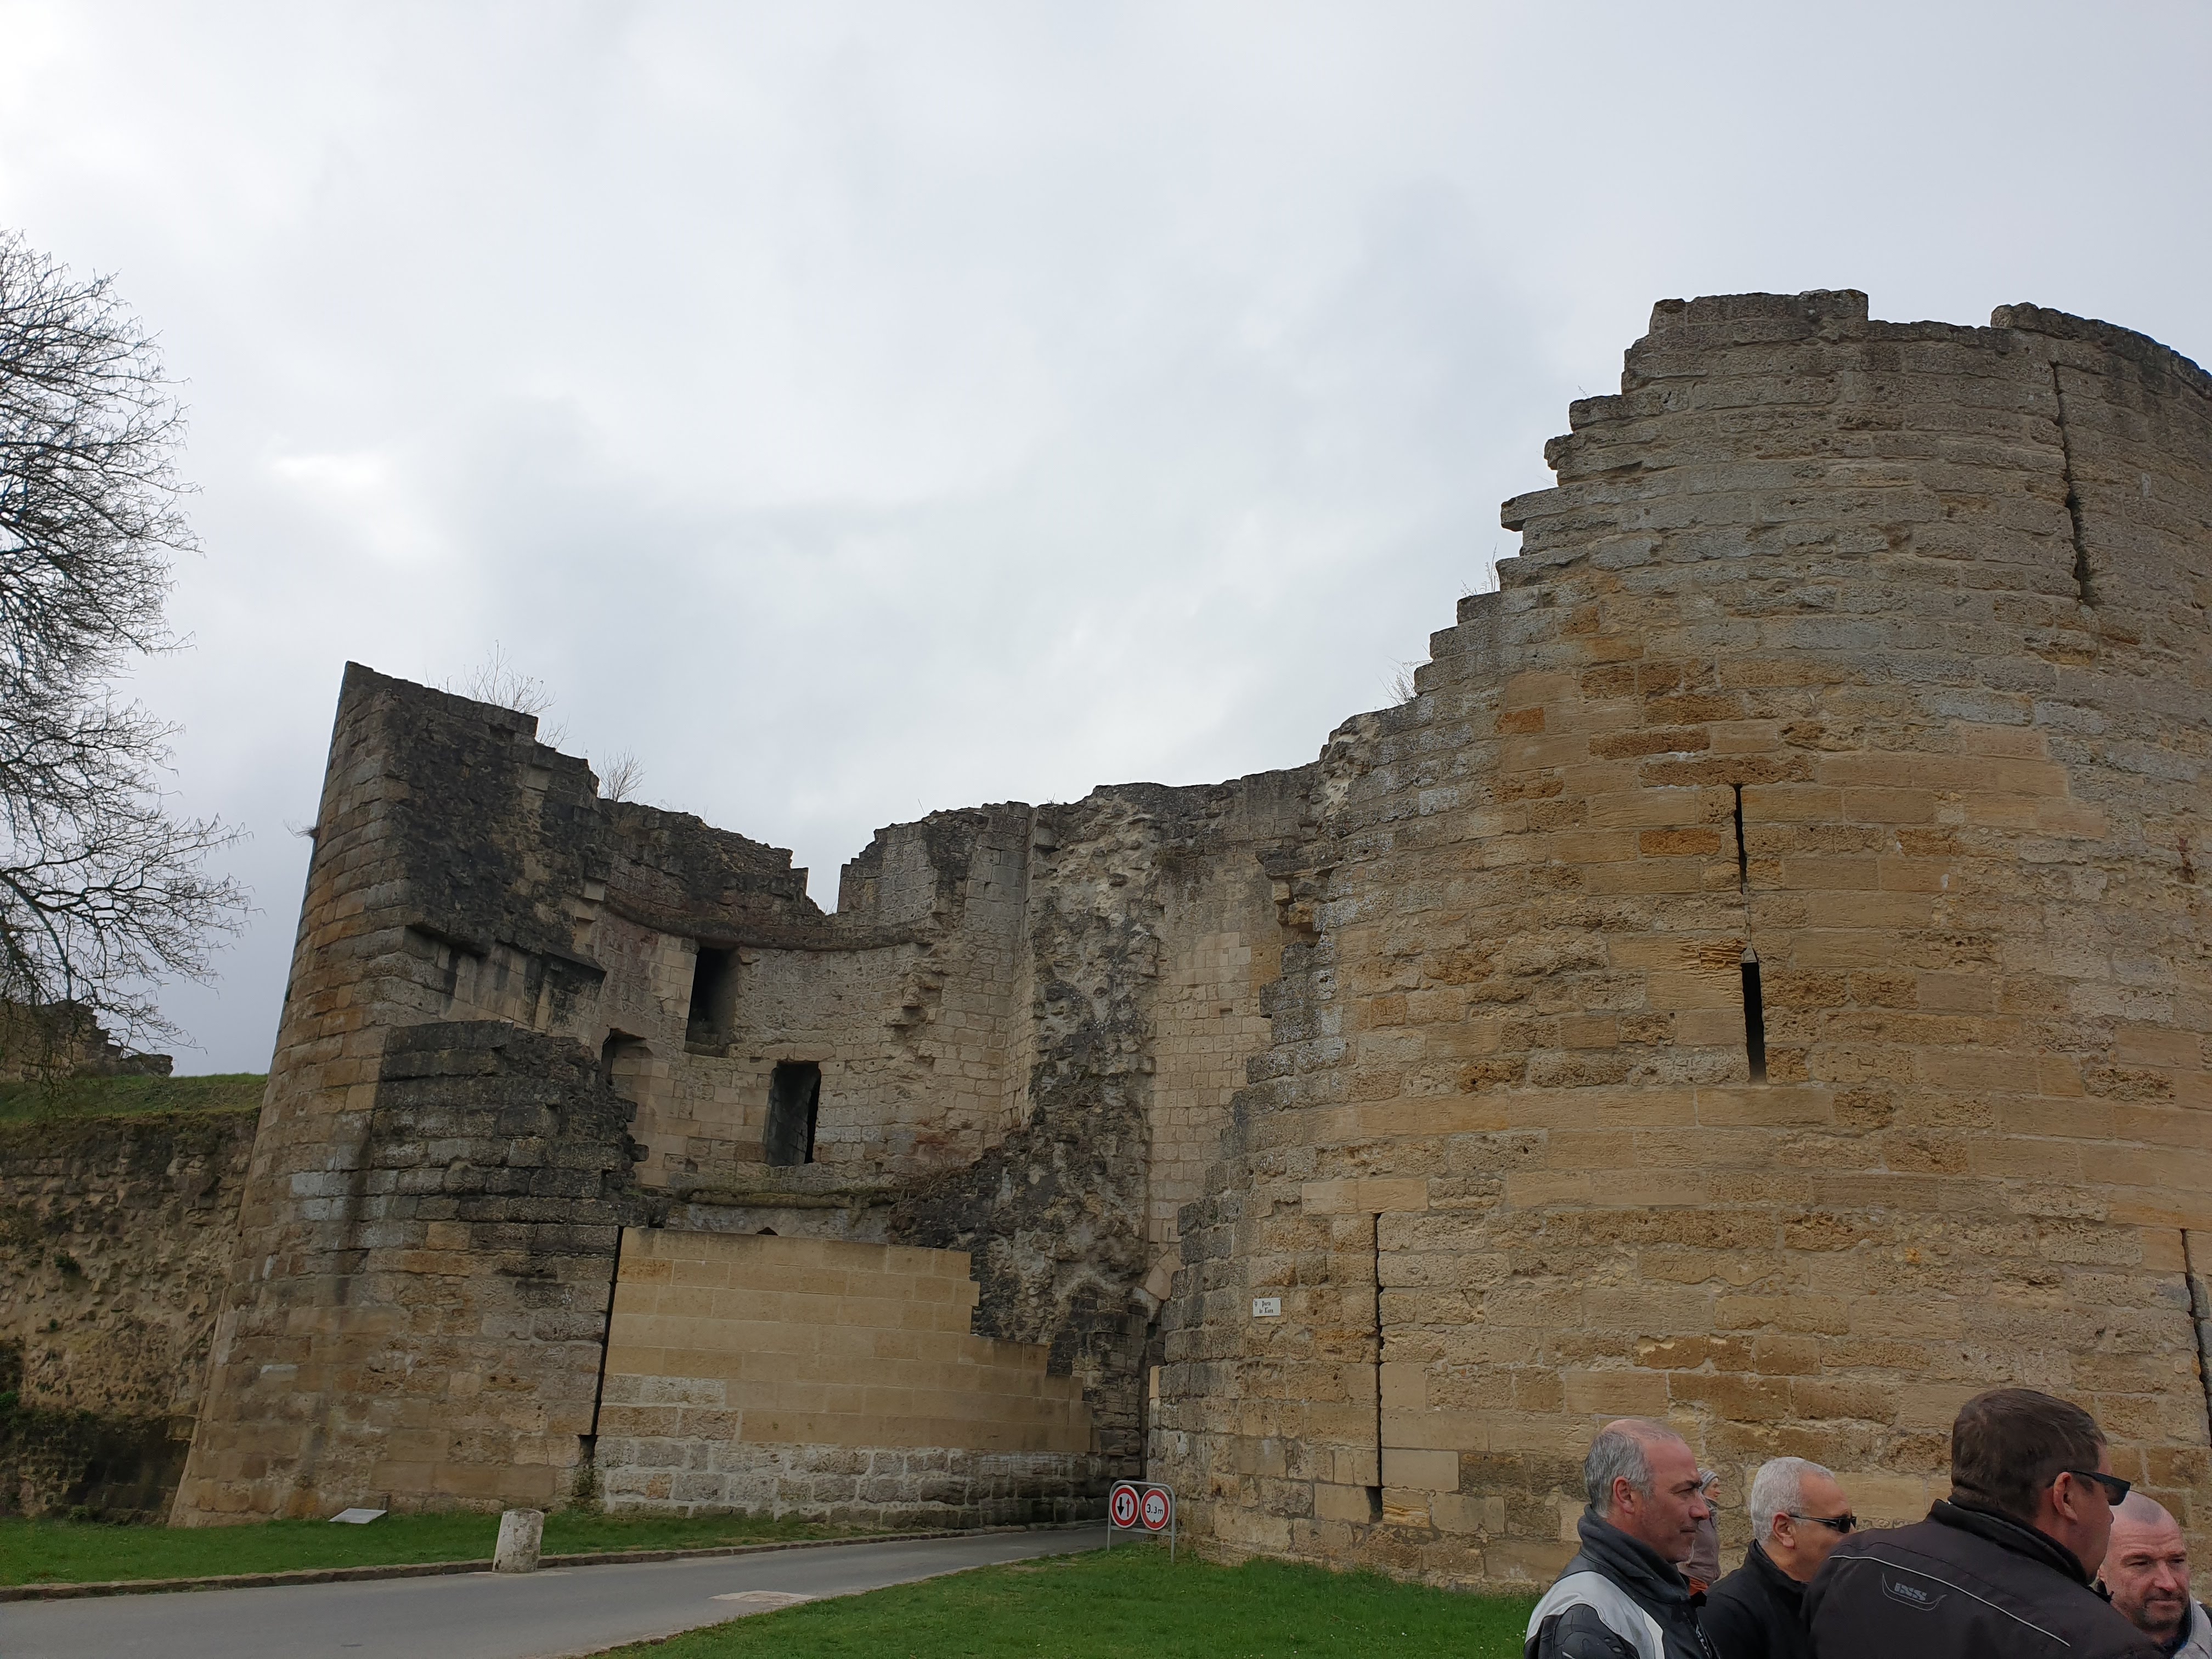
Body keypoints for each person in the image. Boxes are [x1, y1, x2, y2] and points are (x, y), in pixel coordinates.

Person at [1805, 1387, 2157, 1657]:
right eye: (2109, 1491)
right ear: (2065, 1496)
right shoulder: (2102, 1646)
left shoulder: (1853, 1561)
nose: (2111, 1513)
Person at [1525, 1418, 1716, 1658]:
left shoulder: (1657, 1583)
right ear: (1626, 1495)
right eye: (1686, 1491)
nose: (1703, 1511)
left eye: (1698, 1490)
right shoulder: (1584, 1623)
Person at [1702, 1457, 1853, 1659]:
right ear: (1785, 1530)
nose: (1853, 1535)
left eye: (1852, 1522)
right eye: (1841, 1524)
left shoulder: (1837, 1598)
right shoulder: (1723, 1614)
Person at [2101, 1492, 2211, 1656]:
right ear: (2100, 1568)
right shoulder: (2071, 1644)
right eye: (2141, 1564)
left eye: (2177, 1561)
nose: (2169, 1584)